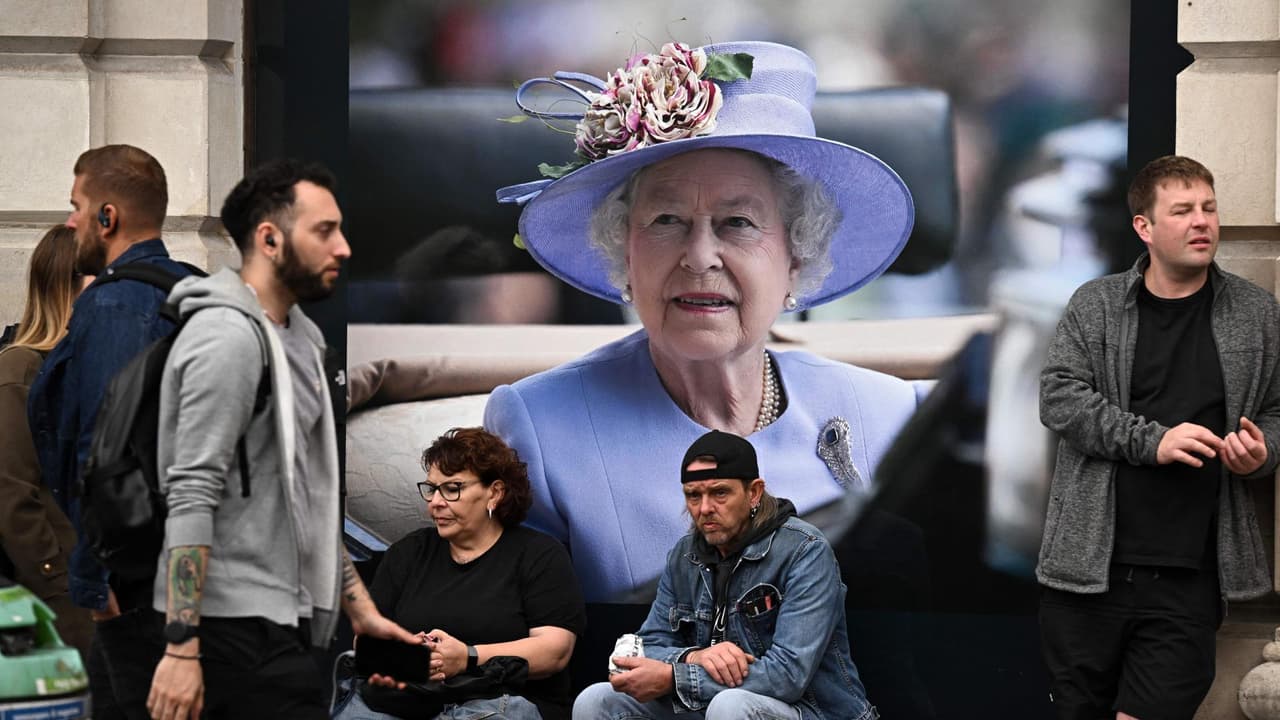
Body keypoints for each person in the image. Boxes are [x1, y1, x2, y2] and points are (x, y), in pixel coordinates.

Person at [486, 41, 920, 604]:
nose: (699, 256)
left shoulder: (889, 416)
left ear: (796, 258)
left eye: (738, 222)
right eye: (667, 219)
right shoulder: (539, 431)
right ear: (625, 253)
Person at [144, 159, 416, 720]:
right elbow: (190, 490)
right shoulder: (225, 339)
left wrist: (360, 612)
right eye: (324, 231)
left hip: (286, 625)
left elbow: (307, 496)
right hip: (225, 630)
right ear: (269, 238)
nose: (342, 247)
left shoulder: (303, 338)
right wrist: (180, 645)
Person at [1037, 155, 1280, 720]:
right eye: (1183, 210)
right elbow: (1060, 399)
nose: (1202, 222)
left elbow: (1276, 411)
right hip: (1085, 572)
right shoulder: (1096, 304)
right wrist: (1154, 441)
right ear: (1144, 227)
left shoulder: (1256, 313)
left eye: (1209, 208)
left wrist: (1261, 454)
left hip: (1188, 576)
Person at [27, 144, 195, 718]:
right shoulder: (195, 289)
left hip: (139, 583)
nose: (69, 221)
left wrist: (100, 586)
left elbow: (104, 447)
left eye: (77, 205)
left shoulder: (117, 305)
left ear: (108, 217)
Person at [573, 430, 875, 720]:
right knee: (598, 701)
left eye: (719, 493)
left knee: (730, 707)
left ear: (754, 492)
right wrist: (694, 658)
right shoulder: (685, 555)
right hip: (710, 704)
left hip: (813, 711)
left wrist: (675, 678)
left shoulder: (804, 550)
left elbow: (788, 676)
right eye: (693, 496)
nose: (704, 508)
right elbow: (650, 642)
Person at [333, 427, 586, 720]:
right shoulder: (409, 552)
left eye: (452, 489)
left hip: (496, 705)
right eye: (431, 489)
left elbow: (554, 651)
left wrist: (468, 656)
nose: (435, 502)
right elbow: (363, 641)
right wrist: (410, 656)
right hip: (407, 703)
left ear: (495, 493)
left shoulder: (539, 555)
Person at [0, 225, 93, 659]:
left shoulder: (85, 365)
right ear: (68, 285)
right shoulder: (21, 369)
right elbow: (13, 497)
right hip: (60, 607)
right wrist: (61, 585)